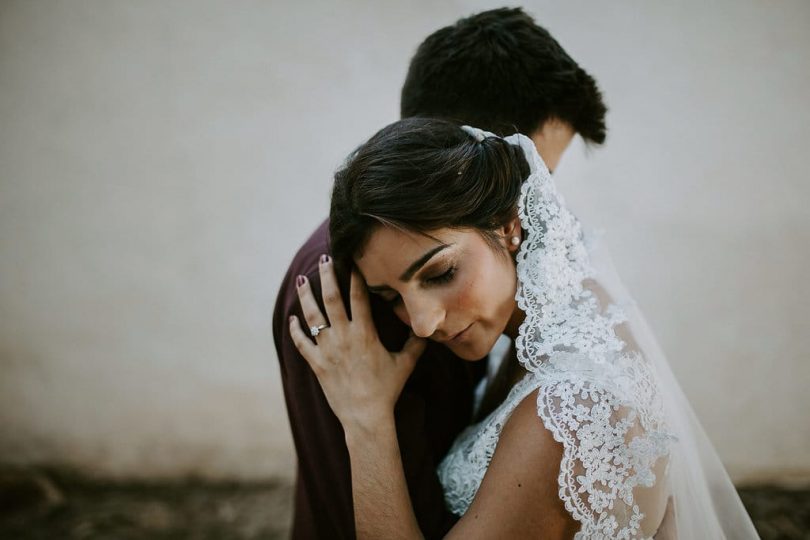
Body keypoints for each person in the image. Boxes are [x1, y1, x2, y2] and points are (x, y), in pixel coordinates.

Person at [289, 118, 760, 538]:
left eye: (440, 273)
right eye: (392, 297)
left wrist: (366, 421)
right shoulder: (557, 319)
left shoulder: (572, 410)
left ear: (508, 224)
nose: (422, 322)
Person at [272, 7, 607, 538]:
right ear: (465, 157)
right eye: (534, 174)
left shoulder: (554, 327)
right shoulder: (339, 289)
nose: (541, 204)